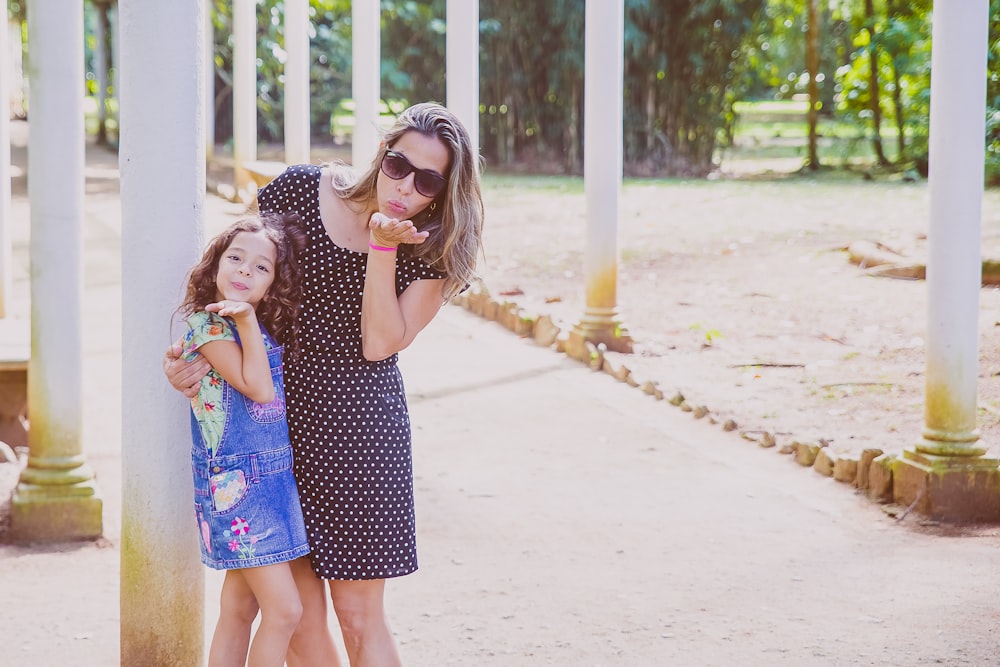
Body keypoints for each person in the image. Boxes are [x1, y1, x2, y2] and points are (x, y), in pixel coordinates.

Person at [165, 102, 485, 666]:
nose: (404, 184)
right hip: (271, 431)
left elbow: (379, 343)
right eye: (397, 164)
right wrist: (189, 361)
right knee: (300, 626)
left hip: (357, 437)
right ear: (381, 154)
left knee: (359, 617)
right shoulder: (296, 192)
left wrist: (384, 246)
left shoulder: (434, 250)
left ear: (442, 192)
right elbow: (234, 277)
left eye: (426, 179)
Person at [175, 212, 310, 667]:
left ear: (272, 283)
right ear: (215, 264)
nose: (245, 272)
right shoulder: (208, 327)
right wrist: (248, 322)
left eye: (261, 267)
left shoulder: (260, 326)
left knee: (240, 608)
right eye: (236, 258)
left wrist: (253, 323)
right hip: (239, 487)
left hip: (273, 482)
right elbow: (258, 388)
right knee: (285, 610)